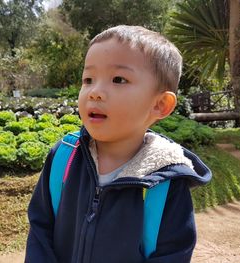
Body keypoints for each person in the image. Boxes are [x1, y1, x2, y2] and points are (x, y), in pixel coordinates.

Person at [25, 25, 212, 263]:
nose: (95, 92)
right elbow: (40, 230)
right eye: (88, 79)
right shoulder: (64, 157)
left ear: (160, 105)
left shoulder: (166, 184)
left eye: (118, 79)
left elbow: (173, 254)